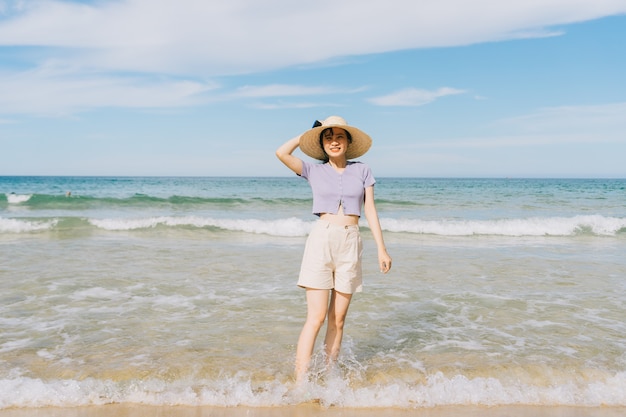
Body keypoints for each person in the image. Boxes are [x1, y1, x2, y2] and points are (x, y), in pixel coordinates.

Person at [275, 115, 392, 384]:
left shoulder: (362, 170)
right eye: (328, 137)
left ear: (348, 142)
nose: (334, 141)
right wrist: (308, 133)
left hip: (351, 241)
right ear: (322, 143)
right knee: (315, 317)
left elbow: (371, 210)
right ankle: (301, 383)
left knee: (337, 319)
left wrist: (381, 249)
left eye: (340, 136)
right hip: (322, 240)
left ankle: (330, 378)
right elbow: (281, 152)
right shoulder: (312, 170)